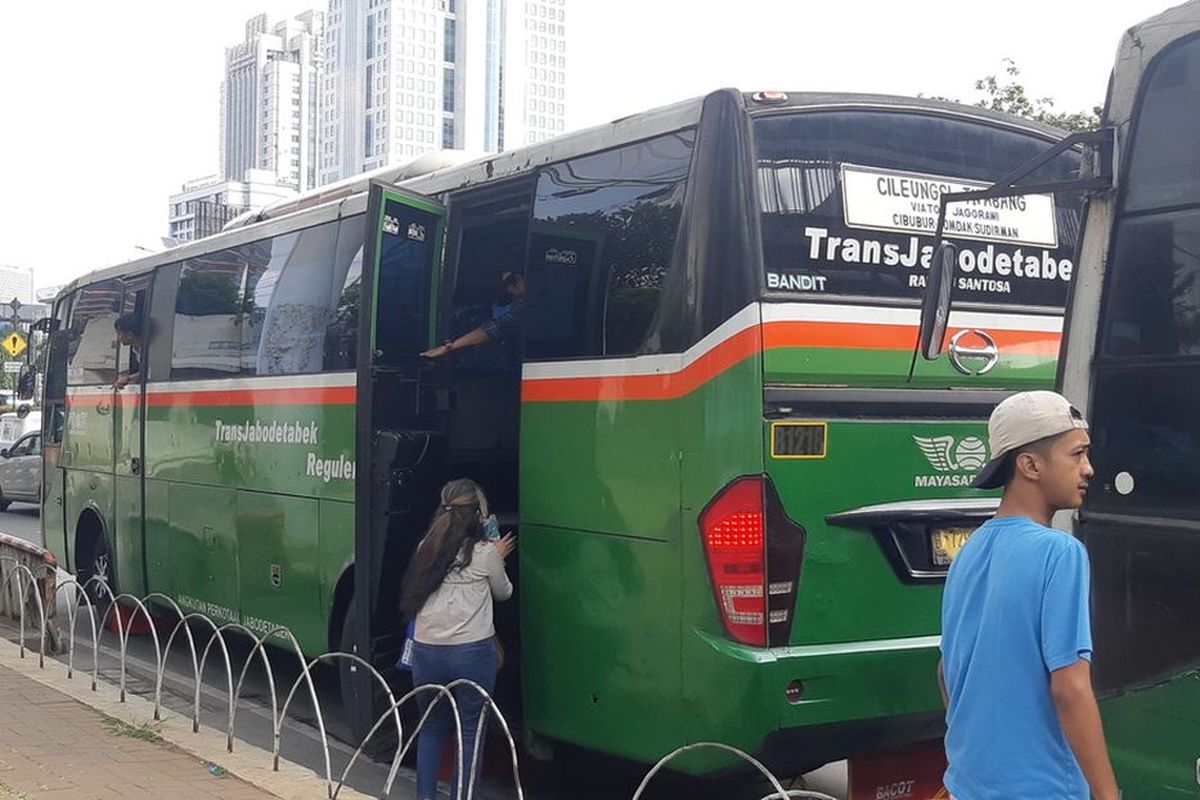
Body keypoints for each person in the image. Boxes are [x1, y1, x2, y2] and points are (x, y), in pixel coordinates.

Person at [939, 391, 1119, 800]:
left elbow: (946, 672)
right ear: (1030, 465)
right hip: (1042, 787)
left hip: (968, 784)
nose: (1088, 469)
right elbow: (1069, 687)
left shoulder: (969, 550)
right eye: (1076, 455)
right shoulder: (1061, 553)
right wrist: (1108, 794)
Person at [399, 478, 516, 800]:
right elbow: (504, 593)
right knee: (469, 732)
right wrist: (499, 554)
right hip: (471, 654)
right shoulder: (483, 554)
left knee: (432, 727)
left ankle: (425, 796)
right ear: (478, 515)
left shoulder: (426, 548)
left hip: (427, 653)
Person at [420, 271, 524, 358]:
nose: (511, 286)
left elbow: (493, 329)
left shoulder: (525, 309)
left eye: (517, 280)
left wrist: (449, 347)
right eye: (508, 283)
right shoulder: (483, 310)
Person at [113, 313, 143, 390]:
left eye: (119, 334)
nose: (118, 338)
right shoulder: (135, 349)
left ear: (129, 335)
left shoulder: (150, 350)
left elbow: (150, 374)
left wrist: (128, 379)